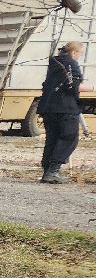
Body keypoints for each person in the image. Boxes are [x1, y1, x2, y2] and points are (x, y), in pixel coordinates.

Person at [39, 41, 90, 183]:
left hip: (48, 107)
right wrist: (91, 88)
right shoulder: (71, 63)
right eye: (80, 54)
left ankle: (47, 171)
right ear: (74, 53)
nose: (80, 57)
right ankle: (53, 171)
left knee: (52, 139)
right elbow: (72, 86)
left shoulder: (54, 63)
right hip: (65, 108)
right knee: (69, 138)